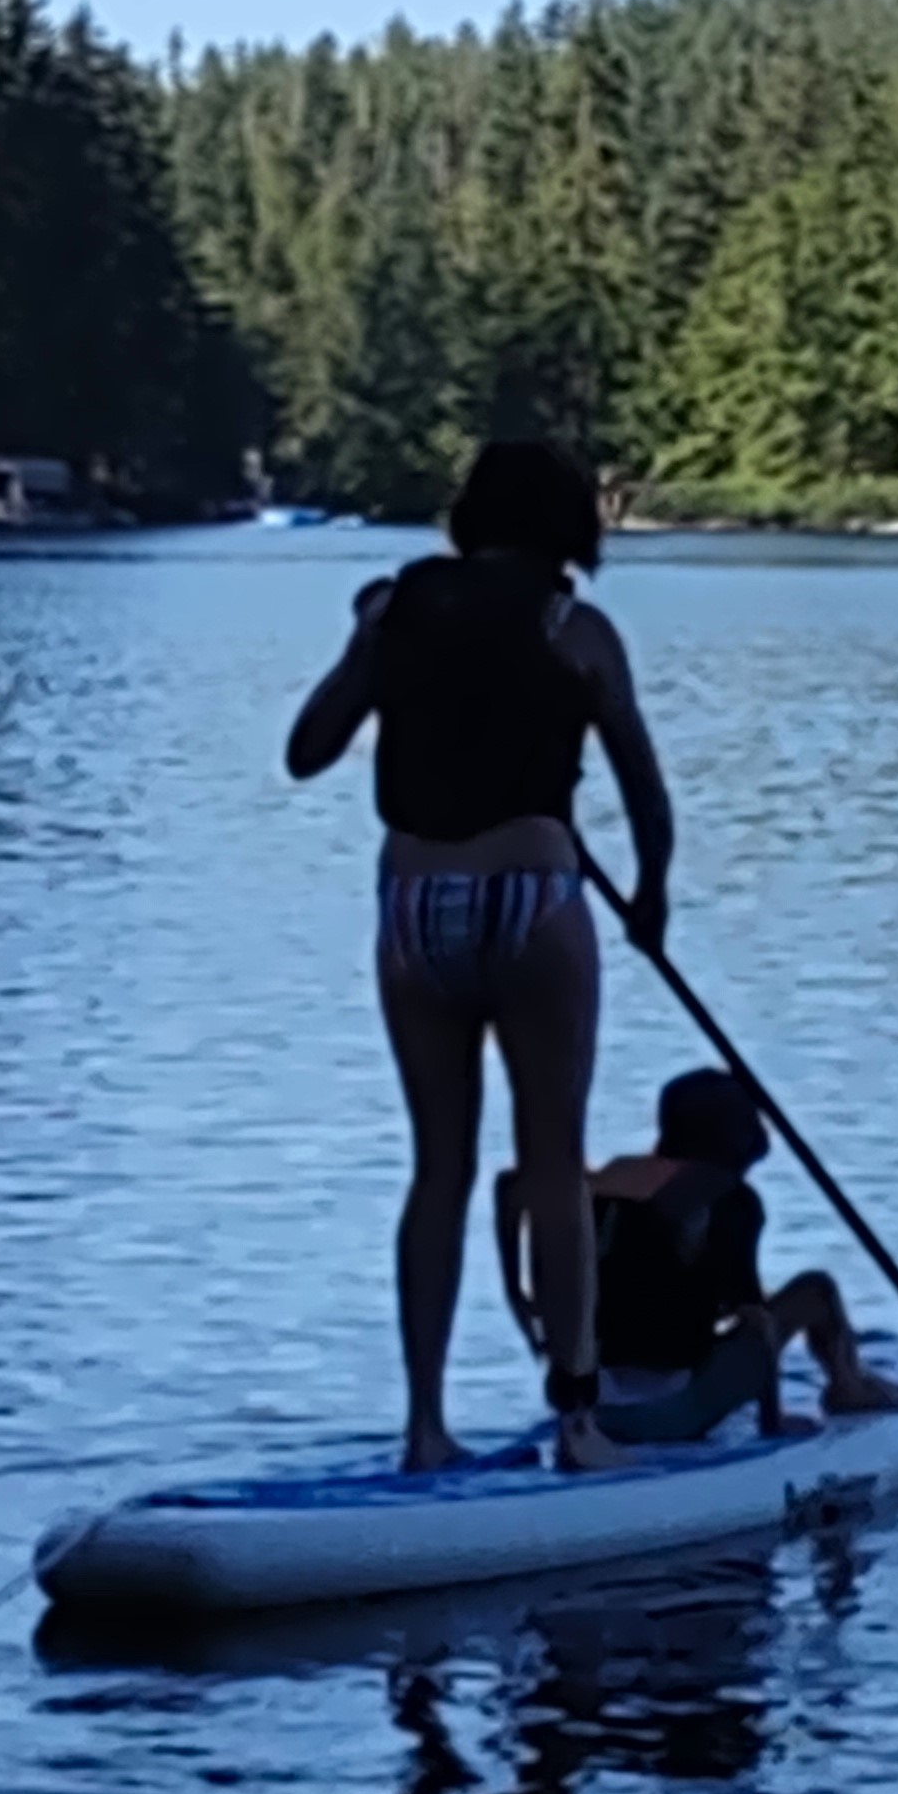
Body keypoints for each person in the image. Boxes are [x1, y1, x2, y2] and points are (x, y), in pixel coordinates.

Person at [287, 436, 673, 1470]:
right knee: (551, 1165)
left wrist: (366, 645)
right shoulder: (576, 628)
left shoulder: (394, 607)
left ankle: (424, 1428)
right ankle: (579, 1424)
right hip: (534, 896)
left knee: (438, 1171)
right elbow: (641, 782)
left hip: (411, 904)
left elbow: (305, 751)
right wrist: (649, 898)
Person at [494, 1068, 898, 1441]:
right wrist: (773, 1419)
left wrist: (518, 1292)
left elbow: (511, 1187)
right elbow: (756, 1323)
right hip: (664, 1413)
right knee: (815, 1291)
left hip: (581, 1401)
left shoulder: (609, 1178)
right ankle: (847, 1386)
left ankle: (848, 1379)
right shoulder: (729, 1199)